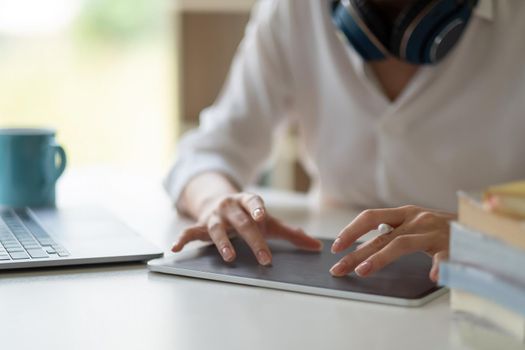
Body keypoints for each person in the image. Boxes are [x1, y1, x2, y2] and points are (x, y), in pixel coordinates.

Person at [164, 0, 525, 282]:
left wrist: (481, 233)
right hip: (338, 280)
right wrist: (216, 202)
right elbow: (208, 151)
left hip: (491, 287)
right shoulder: (295, 10)